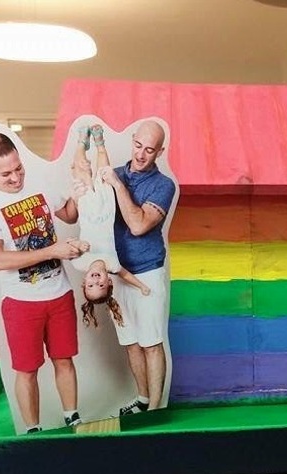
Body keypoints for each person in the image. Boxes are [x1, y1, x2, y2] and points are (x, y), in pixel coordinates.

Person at [0, 132, 84, 433]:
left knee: (64, 360)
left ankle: (73, 419)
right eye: (6, 173)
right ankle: (33, 431)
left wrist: (79, 192)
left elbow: (70, 216)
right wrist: (53, 251)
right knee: (27, 369)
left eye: (18, 168)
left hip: (60, 294)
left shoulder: (39, 185)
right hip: (21, 303)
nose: (16, 177)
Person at [100, 120, 176, 416]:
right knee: (131, 342)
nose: (141, 154)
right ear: (132, 140)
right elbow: (85, 211)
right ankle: (143, 399)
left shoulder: (163, 185)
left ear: (160, 152)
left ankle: (155, 410)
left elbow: (138, 225)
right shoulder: (114, 173)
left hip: (148, 272)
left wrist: (117, 186)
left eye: (149, 150)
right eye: (138, 146)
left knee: (151, 343)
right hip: (117, 273)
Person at [68, 125, 151, 329]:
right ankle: (100, 144)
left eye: (91, 285)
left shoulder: (80, 263)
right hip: (106, 208)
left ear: (84, 282)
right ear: (109, 281)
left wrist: (77, 244)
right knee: (104, 173)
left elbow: (68, 244)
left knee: (81, 171)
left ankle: (81, 143)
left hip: (87, 207)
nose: (96, 280)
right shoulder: (112, 265)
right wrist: (142, 286)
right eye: (101, 285)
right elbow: (126, 275)